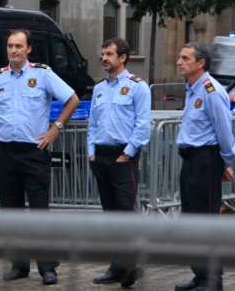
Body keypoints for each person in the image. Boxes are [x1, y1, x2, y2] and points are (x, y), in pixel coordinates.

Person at [0, 29, 79, 285]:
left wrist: (56, 128)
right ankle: (19, 264)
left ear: (28, 49)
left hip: (34, 152)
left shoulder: (42, 74)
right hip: (5, 153)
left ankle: (47, 267)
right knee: (11, 212)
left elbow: (72, 99)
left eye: (19, 46)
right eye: (10, 46)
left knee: (38, 212)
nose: (14, 51)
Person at [88, 38, 151, 288]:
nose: (104, 58)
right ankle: (117, 268)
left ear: (123, 57)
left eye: (110, 54)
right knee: (111, 216)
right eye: (102, 54)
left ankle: (132, 263)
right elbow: (93, 124)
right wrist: (91, 152)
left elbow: (143, 125)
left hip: (123, 157)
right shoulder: (99, 89)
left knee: (125, 211)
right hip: (101, 156)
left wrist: (128, 153)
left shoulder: (137, 87)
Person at [174, 42, 235, 291]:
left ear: (201, 63)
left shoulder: (211, 91)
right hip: (190, 160)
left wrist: (226, 161)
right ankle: (200, 275)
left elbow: (224, 130)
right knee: (191, 221)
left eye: (185, 58)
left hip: (206, 161)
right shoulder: (192, 89)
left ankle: (212, 280)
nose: (179, 62)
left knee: (206, 221)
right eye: (180, 57)